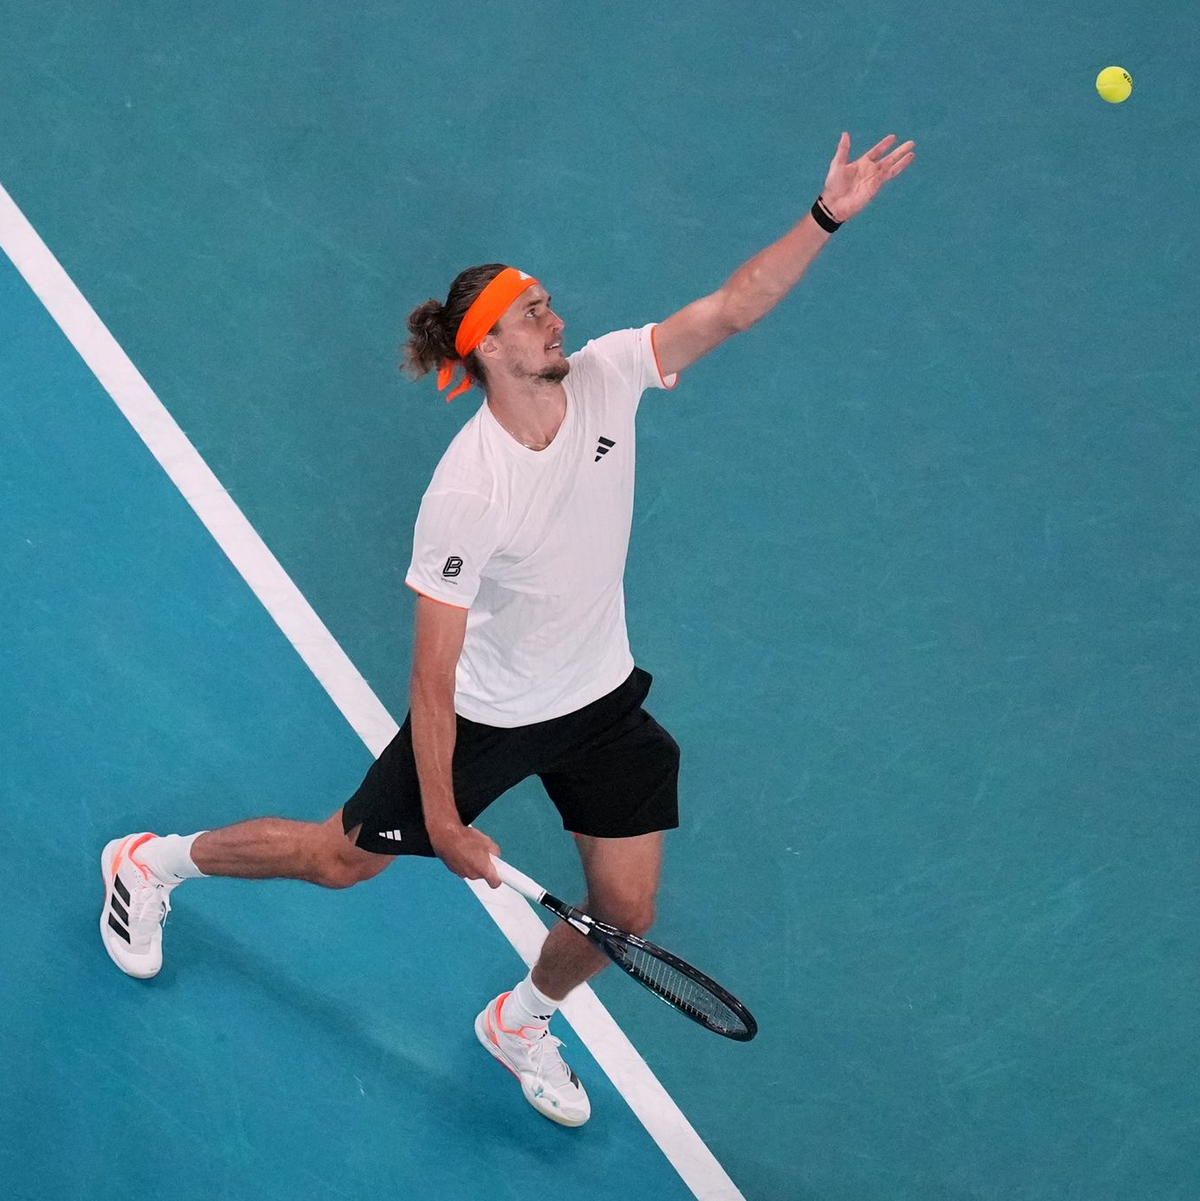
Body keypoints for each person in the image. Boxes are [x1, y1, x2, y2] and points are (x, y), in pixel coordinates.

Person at [100, 131, 914, 1127]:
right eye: (534, 313)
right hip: (486, 714)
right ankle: (152, 861)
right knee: (338, 860)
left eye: (550, 304)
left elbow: (732, 306)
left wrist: (825, 215)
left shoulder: (611, 374)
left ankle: (520, 1019)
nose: (557, 318)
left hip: (601, 700)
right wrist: (442, 820)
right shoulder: (467, 490)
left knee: (626, 913)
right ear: (487, 344)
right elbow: (432, 680)